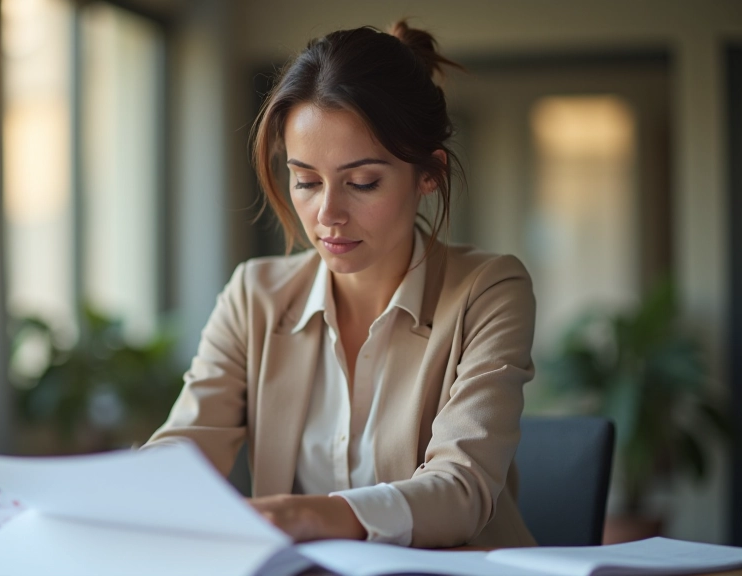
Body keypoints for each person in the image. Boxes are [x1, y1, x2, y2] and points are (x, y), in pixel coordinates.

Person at [143, 20, 538, 549]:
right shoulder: (254, 295)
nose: (327, 214)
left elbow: (460, 490)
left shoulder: (488, 291)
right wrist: (92, 501)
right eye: (305, 181)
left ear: (429, 174)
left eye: (362, 183)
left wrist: (303, 516)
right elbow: (187, 444)